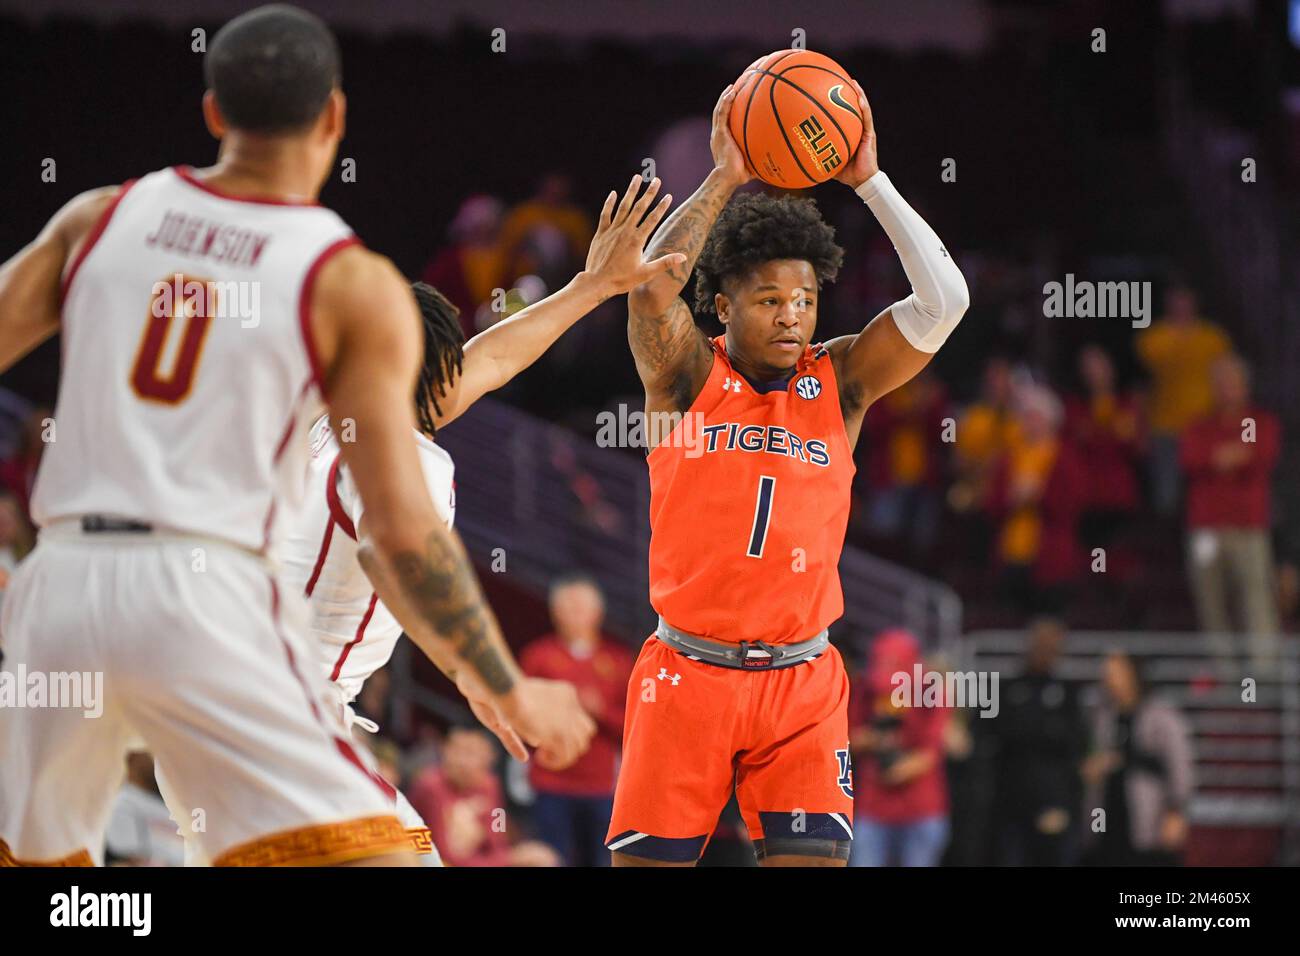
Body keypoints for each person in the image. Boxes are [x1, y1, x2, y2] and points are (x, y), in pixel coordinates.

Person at [0, 4, 590, 867]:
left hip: (62, 588)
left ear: (212, 112)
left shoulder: (99, 218)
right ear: (334, 118)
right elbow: (401, 527)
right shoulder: (344, 279)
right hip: (203, 603)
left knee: (59, 885)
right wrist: (502, 683)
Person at [157, 175, 680, 865]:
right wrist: (495, 684)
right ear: (427, 376)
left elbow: (488, 360)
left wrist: (591, 286)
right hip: (275, 720)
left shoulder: (322, 420)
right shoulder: (401, 455)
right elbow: (399, 557)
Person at [606, 81, 969, 867]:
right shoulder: (684, 380)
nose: (790, 314)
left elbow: (945, 302)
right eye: (767, 298)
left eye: (804, 298)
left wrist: (869, 179)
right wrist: (725, 176)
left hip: (802, 685)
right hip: (686, 674)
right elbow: (652, 284)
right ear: (722, 305)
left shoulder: (838, 383)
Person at [520, 575, 634, 866]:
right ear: (554, 611)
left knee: (604, 858)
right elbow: (520, 716)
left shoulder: (619, 661)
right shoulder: (538, 656)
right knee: (552, 856)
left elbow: (635, 727)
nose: (575, 613)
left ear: (598, 612)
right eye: (567, 606)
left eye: (582, 607)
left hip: (603, 785)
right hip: (551, 781)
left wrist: (600, 710)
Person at [1179, 354, 1281, 670]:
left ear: (1244, 386)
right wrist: (1224, 457)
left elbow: (1260, 454)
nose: (1227, 390)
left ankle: (1263, 673)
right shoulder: (1199, 425)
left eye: (1232, 383)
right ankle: (1224, 674)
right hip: (1205, 529)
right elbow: (1190, 459)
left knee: (1255, 597)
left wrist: (1225, 457)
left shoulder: (1258, 422)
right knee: (1211, 603)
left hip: (1248, 526)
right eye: (1220, 383)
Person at [985, 617, 1088, 866]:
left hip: (1054, 802)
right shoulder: (1003, 689)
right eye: (1041, 643)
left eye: (1052, 645)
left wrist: (1061, 803)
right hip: (1010, 803)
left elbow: (1075, 746)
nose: (1046, 650)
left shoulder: (1068, 693)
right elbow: (995, 739)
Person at [848, 630, 951, 867]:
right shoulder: (865, 690)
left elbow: (931, 752)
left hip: (920, 809)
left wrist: (899, 769)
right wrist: (876, 740)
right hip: (873, 808)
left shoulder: (931, 692)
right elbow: (847, 739)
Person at [1082, 652, 1195, 866]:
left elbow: (1180, 767)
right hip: (1108, 810)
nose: (1108, 678)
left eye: (1114, 673)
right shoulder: (1102, 715)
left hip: (1147, 812)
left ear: (1132, 675)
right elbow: (1094, 756)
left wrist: (1176, 811)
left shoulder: (1162, 715)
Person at [1135, 284, 1230, 516]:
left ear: (1195, 302)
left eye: (1185, 299)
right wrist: (1142, 429)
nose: (1181, 305)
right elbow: (1142, 388)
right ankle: (1167, 548)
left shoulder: (1213, 338)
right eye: (1176, 300)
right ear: (1168, 302)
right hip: (1164, 427)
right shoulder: (1152, 339)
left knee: (1205, 493)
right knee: (1166, 497)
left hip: (1204, 427)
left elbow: (1225, 381)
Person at [407, 727, 560, 868]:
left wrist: (512, 856)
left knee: (543, 858)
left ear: (489, 758)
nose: (462, 762)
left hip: (478, 861)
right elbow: (443, 855)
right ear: (444, 752)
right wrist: (508, 859)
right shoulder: (430, 787)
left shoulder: (491, 786)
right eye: (456, 751)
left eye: (471, 753)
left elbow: (499, 833)